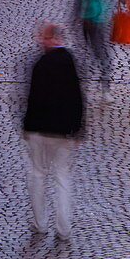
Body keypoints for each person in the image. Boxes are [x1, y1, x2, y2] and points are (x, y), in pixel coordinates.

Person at [23, 22, 84, 242]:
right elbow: (77, 95)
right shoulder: (69, 61)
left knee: (38, 175)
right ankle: (64, 228)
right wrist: (77, 127)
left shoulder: (39, 64)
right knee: (61, 177)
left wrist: (27, 127)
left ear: (50, 39)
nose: (41, 40)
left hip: (39, 130)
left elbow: (32, 99)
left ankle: (40, 224)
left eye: (43, 37)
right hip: (62, 131)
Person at [75, 0, 119, 94]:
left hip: (102, 19)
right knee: (88, 51)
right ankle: (86, 82)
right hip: (87, 18)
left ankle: (105, 84)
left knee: (102, 51)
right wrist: (77, 14)